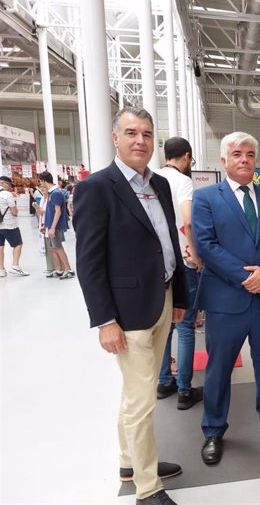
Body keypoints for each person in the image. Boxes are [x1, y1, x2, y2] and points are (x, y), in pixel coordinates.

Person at [73, 107, 188, 505]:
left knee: (134, 391)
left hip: (163, 297)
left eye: (147, 133)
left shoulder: (160, 185)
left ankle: (129, 461)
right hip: (128, 311)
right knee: (142, 400)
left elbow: (169, 241)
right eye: (131, 133)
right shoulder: (96, 188)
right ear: (115, 138)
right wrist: (105, 319)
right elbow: (88, 261)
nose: (140, 140)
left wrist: (181, 297)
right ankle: (147, 487)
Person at [192, 131, 260, 466]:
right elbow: (206, 245)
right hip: (226, 301)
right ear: (223, 160)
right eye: (237, 154)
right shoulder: (206, 198)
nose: (244, 160)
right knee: (219, 368)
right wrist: (246, 276)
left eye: (250, 154)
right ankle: (213, 430)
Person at [155, 137, 204, 411]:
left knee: (165, 326)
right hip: (184, 262)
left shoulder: (151, 178)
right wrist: (195, 254)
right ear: (186, 157)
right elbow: (187, 220)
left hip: (161, 266)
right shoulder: (182, 181)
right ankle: (185, 389)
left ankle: (164, 381)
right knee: (186, 325)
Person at [37, 171, 74, 279]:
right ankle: (59, 269)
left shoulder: (56, 193)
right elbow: (50, 211)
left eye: (40, 181)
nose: (40, 184)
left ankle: (68, 269)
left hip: (56, 226)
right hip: (51, 225)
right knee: (54, 247)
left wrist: (52, 227)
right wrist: (47, 226)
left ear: (44, 180)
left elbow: (58, 212)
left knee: (58, 247)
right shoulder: (51, 193)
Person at [0, 175, 29, 277]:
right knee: (18, 244)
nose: (10, 187)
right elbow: (14, 212)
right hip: (9, 224)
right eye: (9, 184)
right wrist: (17, 211)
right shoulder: (6, 194)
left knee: (0, 247)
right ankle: (15, 266)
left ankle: (1, 269)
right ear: (3, 183)